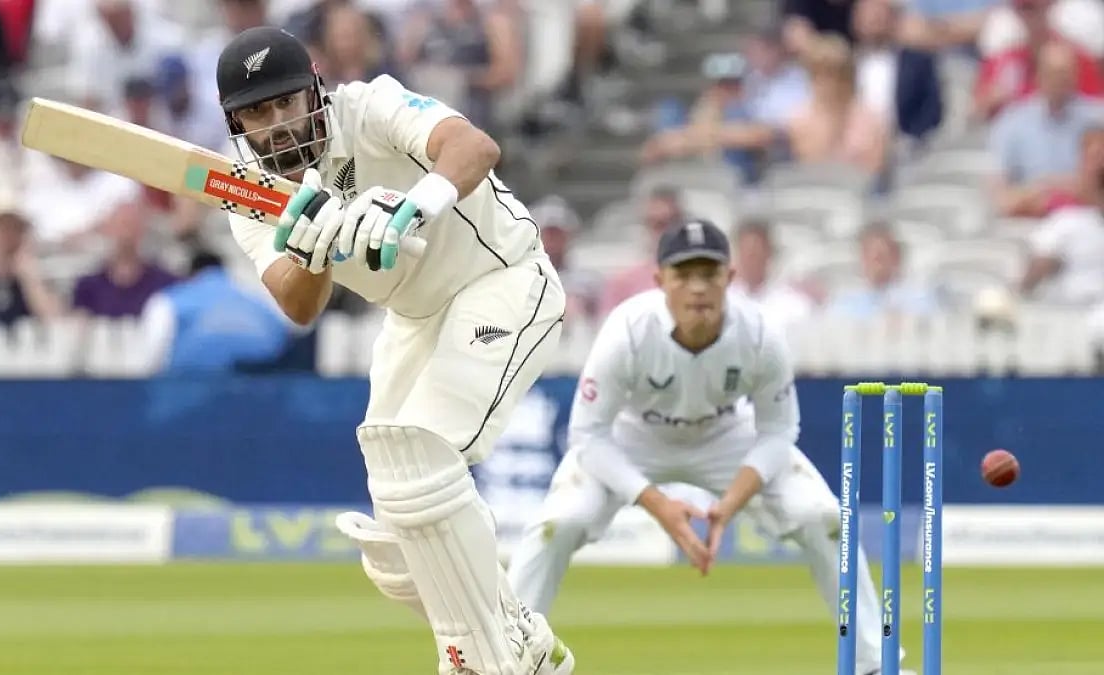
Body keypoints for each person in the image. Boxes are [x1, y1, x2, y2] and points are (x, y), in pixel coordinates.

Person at [216, 26, 571, 675]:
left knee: (425, 463)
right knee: (396, 539)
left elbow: (473, 146)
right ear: (239, 123)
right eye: (258, 114)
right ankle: (518, 633)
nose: (277, 125)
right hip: (415, 319)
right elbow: (298, 304)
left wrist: (410, 208)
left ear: (314, 92)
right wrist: (309, 246)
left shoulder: (368, 106)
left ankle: (475, 658)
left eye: (286, 102)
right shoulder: (249, 193)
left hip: (503, 278)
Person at [505, 220, 914, 675]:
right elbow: (588, 436)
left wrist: (730, 503)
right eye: (684, 275)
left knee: (822, 518)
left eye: (710, 274)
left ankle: (875, 666)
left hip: (724, 434)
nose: (698, 288)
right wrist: (657, 503)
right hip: (634, 435)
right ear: (661, 281)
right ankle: (504, 660)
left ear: (730, 279)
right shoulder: (629, 330)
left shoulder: (758, 333)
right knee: (558, 524)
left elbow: (779, 430)